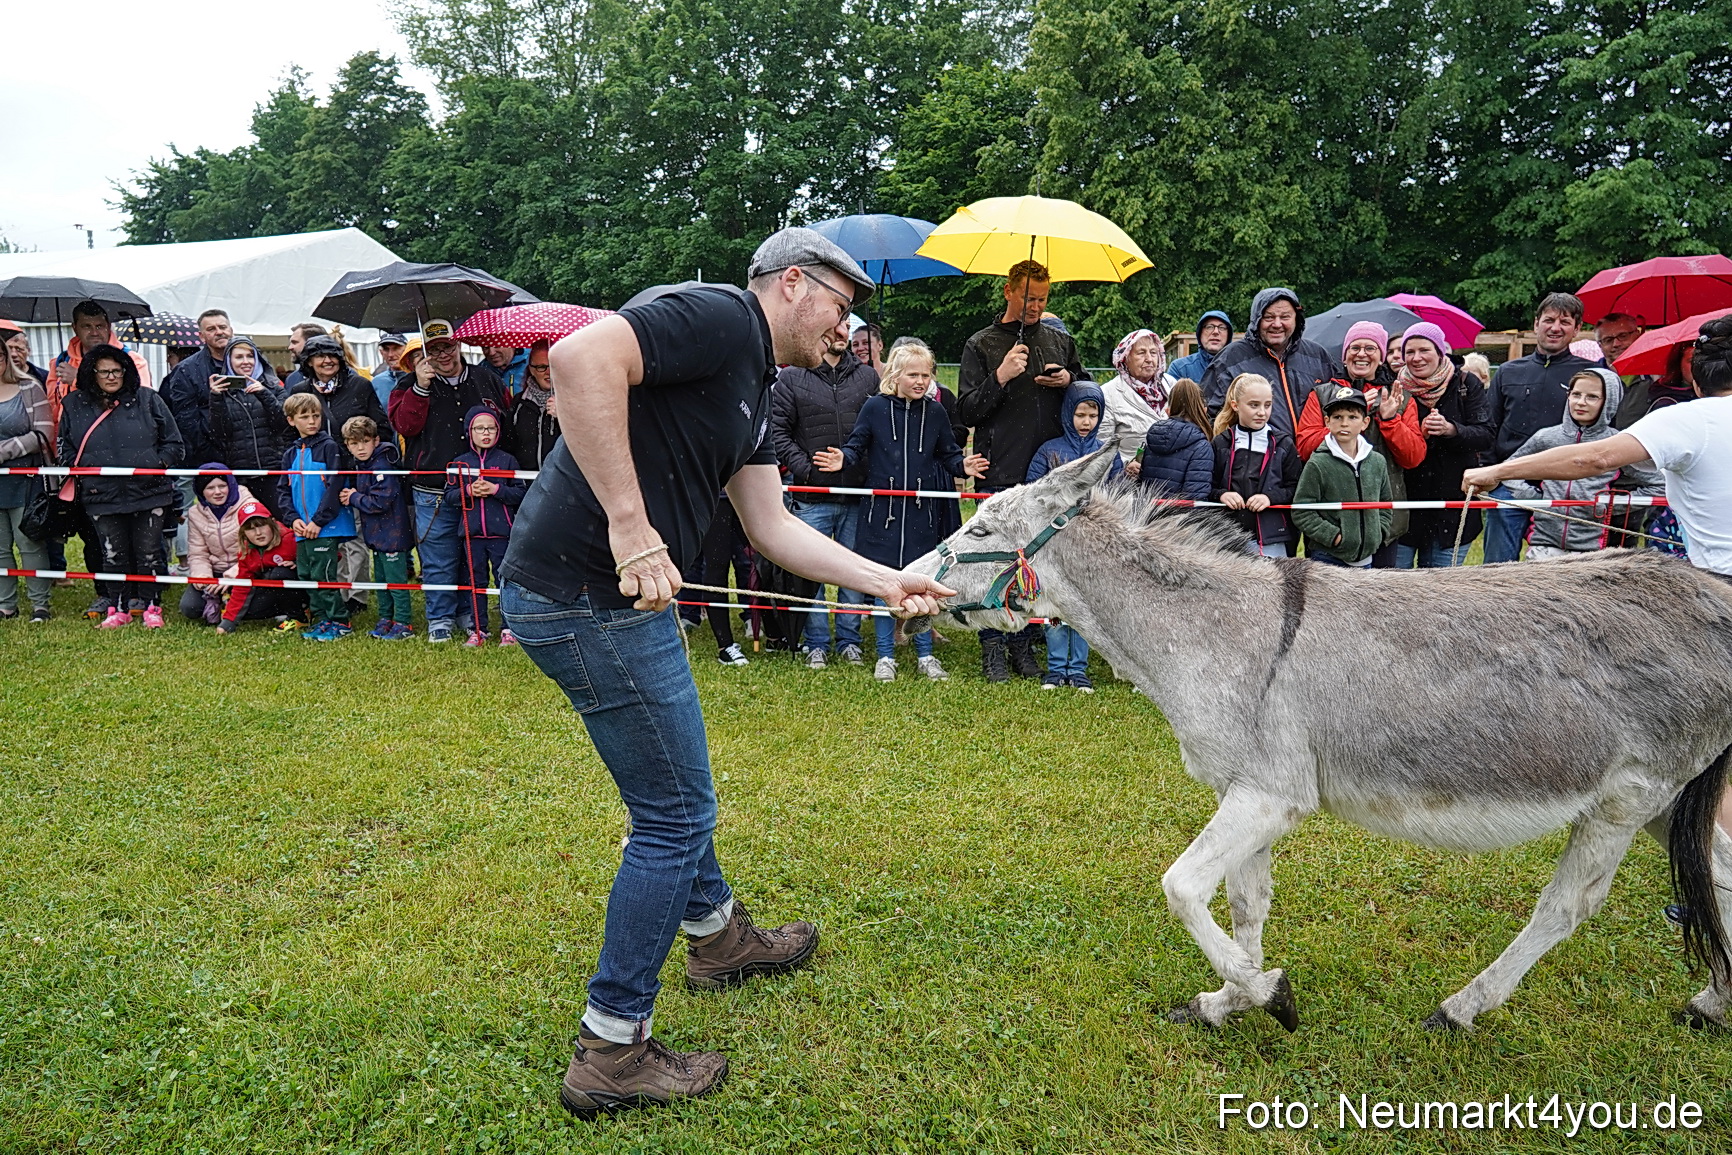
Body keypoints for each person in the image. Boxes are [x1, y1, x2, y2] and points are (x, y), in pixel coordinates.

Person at [498, 227, 948, 1114]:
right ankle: (611, 1049)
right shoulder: (714, 315)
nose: (848, 330)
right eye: (841, 305)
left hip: (615, 599)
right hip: (589, 593)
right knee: (674, 814)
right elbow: (581, 358)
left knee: (672, 791)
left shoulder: (756, 382)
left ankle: (717, 938)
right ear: (790, 284)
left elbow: (772, 527)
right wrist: (631, 528)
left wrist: (884, 581)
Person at [1465, 316, 1732, 829]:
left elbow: (1598, 457)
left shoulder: (1688, 418)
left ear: (1696, 378)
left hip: (1719, 598)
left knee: (1703, 765)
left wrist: (1499, 471)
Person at [816, 340, 985, 681]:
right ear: (895, 375)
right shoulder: (875, 408)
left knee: (921, 588)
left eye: (926, 375)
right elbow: (856, 445)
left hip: (923, 515)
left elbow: (948, 455)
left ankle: (925, 656)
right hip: (882, 514)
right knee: (885, 587)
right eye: (913, 375)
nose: (921, 381)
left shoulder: (935, 412)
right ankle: (885, 657)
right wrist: (842, 460)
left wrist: (962, 465)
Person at [956, 259, 1085, 681]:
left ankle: (1024, 646)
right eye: (1029, 297)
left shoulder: (1058, 340)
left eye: (1043, 298)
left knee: (1038, 558)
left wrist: (1068, 380)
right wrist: (1001, 375)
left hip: (1048, 467)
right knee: (994, 560)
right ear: (1008, 291)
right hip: (1000, 466)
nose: (1035, 306)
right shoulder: (982, 343)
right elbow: (968, 409)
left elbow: (1087, 395)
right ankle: (992, 647)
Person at [390, 319, 513, 643]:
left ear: (458, 344)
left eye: (447, 345)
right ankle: (440, 618)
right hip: (433, 487)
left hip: (483, 488)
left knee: (473, 556)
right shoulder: (408, 383)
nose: (443, 353)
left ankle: (470, 615)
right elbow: (405, 426)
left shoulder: (486, 378)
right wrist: (420, 388)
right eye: (434, 349)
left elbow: (506, 423)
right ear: (425, 352)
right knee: (439, 556)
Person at [770, 325, 879, 667]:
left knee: (853, 573)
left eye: (846, 326)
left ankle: (849, 640)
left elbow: (877, 431)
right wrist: (806, 469)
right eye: (835, 327)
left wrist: (858, 465)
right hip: (811, 496)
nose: (842, 332)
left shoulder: (867, 378)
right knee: (811, 573)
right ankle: (816, 641)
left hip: (855, 493)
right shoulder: (792, 378)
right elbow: (777, 430)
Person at [57, 346, 182, 627]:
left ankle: (152, 608)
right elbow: (64, 446)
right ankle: (118, 609)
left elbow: (175, 444)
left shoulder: (148, 399)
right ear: (92, 373)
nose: (112, 377)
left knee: (149, 552)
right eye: (105, 371)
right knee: (112, 554)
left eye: (117, 370)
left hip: (149, 492)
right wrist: (85, 469)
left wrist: (155, 465)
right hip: (100, 493)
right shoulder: (74, 404)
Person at [1295, 321, 1425, 566]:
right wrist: (1350, 414)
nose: (1362, 354)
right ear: (1344, 356)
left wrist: (1390, 421)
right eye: (1355, 348)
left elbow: (1413, 457)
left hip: (1382, 527)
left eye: (1371, 348)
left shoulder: (1400, 397)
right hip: (1331, 526)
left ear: (1381, 356)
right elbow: (1304, 447)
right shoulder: (1322, 394)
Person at [1482, 292, 1598, 562]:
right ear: (1536, 324)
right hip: (1509, 485)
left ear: (1577, 329)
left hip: (1564, 487)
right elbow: (1489, 427)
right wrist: (1492, 477)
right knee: (1496, 569)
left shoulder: (1591, 376)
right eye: (1549, 320)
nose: (1555, 328)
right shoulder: (1509, 372)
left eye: (1565, 322)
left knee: (1558, 571)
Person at [1502, 369, 1663, 559]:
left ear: (1608, 403)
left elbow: (1659, 485)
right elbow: (1508, 469)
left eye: (1592, 397)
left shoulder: (1615, 443)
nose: (1581, 402)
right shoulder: (1546, 437)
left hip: (1590, 551)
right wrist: (1533, 498)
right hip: (1542, 544)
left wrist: (1609, 505)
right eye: (1576, 394)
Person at [1026, 380, 1120, 691]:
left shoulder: (1106, 453)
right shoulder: (1049, 450)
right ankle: (1056, 668)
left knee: (1082, 608)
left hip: (1091, 543)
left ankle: (1078, 669)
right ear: (1069, 414)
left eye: (1093, 416)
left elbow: (1118, 493)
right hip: (1054, 543)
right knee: (1055, 606)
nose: (1086, 422)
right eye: (1080, 415)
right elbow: (1034, 492)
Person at [1389, 321, 1494, 567]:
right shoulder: (1394, 387)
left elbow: (1486, 434)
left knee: (1440, 594)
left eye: (1424, 350)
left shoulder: (1466, 384)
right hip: (1404, 505)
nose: (1416, 358)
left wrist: (1451, 430)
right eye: (1410, 352)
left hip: (1452, 509)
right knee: (1397, 592)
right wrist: (1416, 436)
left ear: (1439, 351)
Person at [1200, 288, 1335, 439]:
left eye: (1285, 317)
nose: (1277, 324)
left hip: (1313, 459)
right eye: (1269, 317)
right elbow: (1207, 417)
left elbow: (1338, 406)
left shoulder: (1318, 357)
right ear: (1256, 319)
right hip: (1257, 459)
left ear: (1296, 318)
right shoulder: (1229, 360)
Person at [445, 407, 527, 646]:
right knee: (475, 582)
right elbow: (449, 496)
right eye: (479, 428)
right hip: (471, 535)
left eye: (490, 428)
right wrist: (468, 491)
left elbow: (520, 493)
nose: (486, 433)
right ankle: (478, 629)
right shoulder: (460, 463)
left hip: (502, 533)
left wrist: (496, 490)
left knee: (504, 581)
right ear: (469, 432)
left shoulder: (507, 460)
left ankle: (508, 629)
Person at [278, 392, 356, 641]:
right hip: (302, 528)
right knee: (306, 575)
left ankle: (340, 621)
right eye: (304, 417)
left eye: (316, 415)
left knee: (324, 575)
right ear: (291, 421)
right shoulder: (290, 454)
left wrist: (318, 521)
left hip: (326, 526)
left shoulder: (330, 447)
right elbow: (283, 490)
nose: (312, 421)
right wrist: (293, 520)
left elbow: (334, 487)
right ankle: (322, 619)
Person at [1290, 390, 1392, 567]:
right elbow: (1302, 511)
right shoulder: (1317, 463)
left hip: (1366, 559)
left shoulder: (1377, 462)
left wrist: (1377, 533)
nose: (1344, 423)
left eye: (1352, 417)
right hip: (1328, 558)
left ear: (1365, 423)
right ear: (1327, 422)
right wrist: (1335, 537)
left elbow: (1386, 504)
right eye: (1337, 417)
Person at [341, 416, 417, 640]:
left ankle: (403, 622)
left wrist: (354, 497)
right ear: (347, 445)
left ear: (375, 440)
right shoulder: (363, 465)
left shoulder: (383, 465)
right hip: (377, 536)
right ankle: (386, 618)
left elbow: (381, 501)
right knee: (382, 581)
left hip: (393, 534)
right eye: (354, 443)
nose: (360, 447)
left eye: (365, 441)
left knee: (396, 583)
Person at [1210, 374, 1299, 558]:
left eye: (1267, 405)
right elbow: (1206, 486)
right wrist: (1222, 494)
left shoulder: (1283, 443)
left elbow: (1296, 487)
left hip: (1272, 538)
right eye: (1254, 405)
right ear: (1235, 405)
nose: (1262, 412)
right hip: (1226, 538)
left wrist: (1270, 498)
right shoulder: (1221, 443)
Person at [208, 337, 290, 521]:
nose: (246, 362)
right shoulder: (222, 392)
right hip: (242, 475)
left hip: (274, 471)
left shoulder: (274, 386)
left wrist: (264, 394)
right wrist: (216, 398)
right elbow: (220, 433)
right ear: (229, 361)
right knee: (251, 528)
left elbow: (283, 424)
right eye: (239, 357)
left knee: (282, 525)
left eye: (250, 356)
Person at [0, 351, 55, 621]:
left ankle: (40, 605)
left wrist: (4, 451)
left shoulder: (30, 387)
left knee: (29, 543)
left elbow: (43, 434)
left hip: (25, 478)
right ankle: (6, 605)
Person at [286, 335, 391, 466]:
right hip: (316, 466)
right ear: (309, 361)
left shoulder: (359, 385)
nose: (328, 360)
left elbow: (381, 428)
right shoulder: (300, 390)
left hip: (355, 468)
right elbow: (290, 433)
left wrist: (367, 462)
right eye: (320, 356)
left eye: (333, 355)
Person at [179, 465, 258, 624]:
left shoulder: (249, 505)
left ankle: (229, 602)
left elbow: (258, 548)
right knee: (190, 608)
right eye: (210, 488)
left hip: (245, 569)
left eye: (222, 486)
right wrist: (204, 577)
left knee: (255, 607)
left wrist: (236, 572)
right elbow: (197, 552)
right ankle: (219, 600)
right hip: (216, 570)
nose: (217, 492)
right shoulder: (195, 513)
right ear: (201, 491)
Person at [216, 502, 308, 634]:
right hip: (273, 589)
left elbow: (332, 556)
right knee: (249, 612)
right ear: (243, 533)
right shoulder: (246, 552)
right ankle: (286, 610)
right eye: (250, 529)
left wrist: (299, 564)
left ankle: (299, 616)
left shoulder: (291, 539)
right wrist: (228, 622)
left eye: (262, 525)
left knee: (279, 574)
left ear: (272, 523)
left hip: (302, 588)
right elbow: (242, 585)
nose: (258, 533)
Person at [1099, 328, 1176, 468]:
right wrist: (1124, 464)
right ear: (1126, 358)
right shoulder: (1108, 394)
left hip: (1172, 472)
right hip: (1130, 481)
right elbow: (1102, 446)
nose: (1149, 359)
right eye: (1141, 353)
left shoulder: (1171, 385)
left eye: (1153, 353)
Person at [1137, 379, 1215, 502]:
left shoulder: (1154, 438)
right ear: (1203, 409)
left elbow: (1141, 484)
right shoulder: (1201, 446)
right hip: (1178, 519)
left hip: (1148, 516)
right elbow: (1195, 499)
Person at [509, 340, 561, 471]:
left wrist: (564, 417)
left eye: (553, 366)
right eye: (542, 367)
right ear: (532, 369)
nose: (549, 372)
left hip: (562, 484)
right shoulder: (519, 402)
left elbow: (586, 445)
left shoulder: (575, 401)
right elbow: (508, 445)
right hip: (526, 483)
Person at [1167, 310, 1232, 384]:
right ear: (1200, 333)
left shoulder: (1239, 367)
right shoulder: (1180, 368)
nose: (1216, 332)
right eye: (1209, 327)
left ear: (1228, 335)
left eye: (1222, 327)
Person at [369, 333, 409, 409]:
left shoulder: (419, 378)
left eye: (396, 348)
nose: (390, 354)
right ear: (381, 352)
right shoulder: (377, 381)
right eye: (386, 349)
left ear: (406, 349)